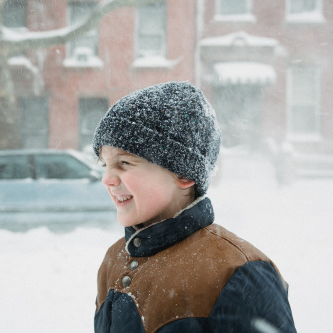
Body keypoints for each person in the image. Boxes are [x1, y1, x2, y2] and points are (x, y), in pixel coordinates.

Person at [92, 81, 296, 332]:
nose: (107, 179)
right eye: (105, 165)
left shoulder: (239, 274)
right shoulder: (114, 259)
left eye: (124, 163)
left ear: (183, 173)